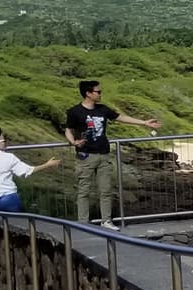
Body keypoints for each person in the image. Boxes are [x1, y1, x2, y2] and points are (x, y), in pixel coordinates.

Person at [63, 79, 161, 230]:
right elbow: (68, 130)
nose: (100, 94)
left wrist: (144, 123)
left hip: (103, 154)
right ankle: (83, 222)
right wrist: (73, 142)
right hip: (85, 155)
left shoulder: (102, 109)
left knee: (106, 190)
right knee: (83, 191)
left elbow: (120, 117)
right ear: (88, 93)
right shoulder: (74, 111)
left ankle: (106, 220)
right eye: (98, 92)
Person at [0, 129, 59, 213]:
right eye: (4, 141)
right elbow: (27, 171)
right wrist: (47, 165)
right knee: (16, 224)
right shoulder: (9, 157)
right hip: (10, 199)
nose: (6, 143)